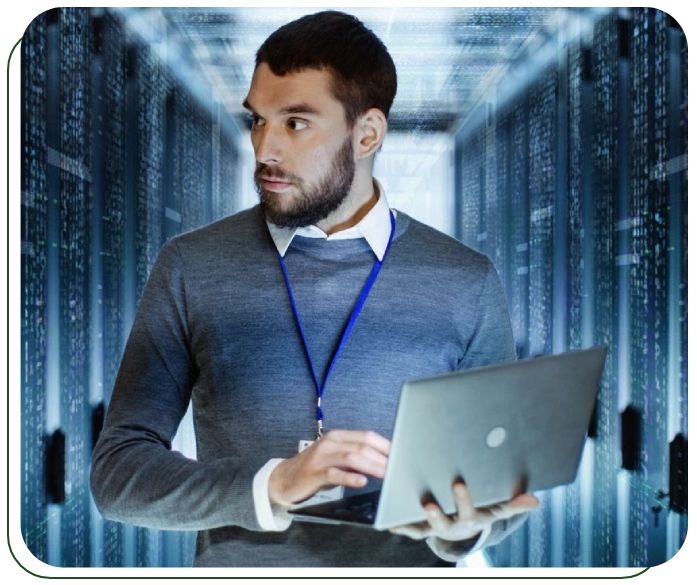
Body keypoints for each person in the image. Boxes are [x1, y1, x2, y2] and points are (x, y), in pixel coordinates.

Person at [90, 10, 538, 568]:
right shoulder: (190, 266)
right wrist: (272, 485)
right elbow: (118, 474)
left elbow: (500, 482)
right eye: (258, 120)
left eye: (296, 123)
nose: (265, 149)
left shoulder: (466, 279)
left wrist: (461, 531)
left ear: (367, 133)